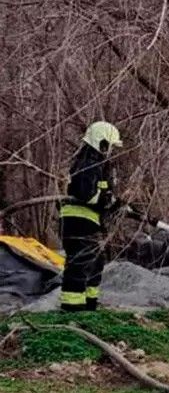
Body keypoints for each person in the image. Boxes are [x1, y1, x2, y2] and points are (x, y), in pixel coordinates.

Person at [60, 121, 122, 312]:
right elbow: (87, 194)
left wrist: (115, 204)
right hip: (79, 221)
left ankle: (89, 305)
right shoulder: (88, 163)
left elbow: (100, 196)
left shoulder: (97, 163)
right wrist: (108, 201)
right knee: (81, 263)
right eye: (110, 145)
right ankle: (73, 308)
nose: (111, 150)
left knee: (95, 263)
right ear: (102, 142)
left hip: (89, 220)